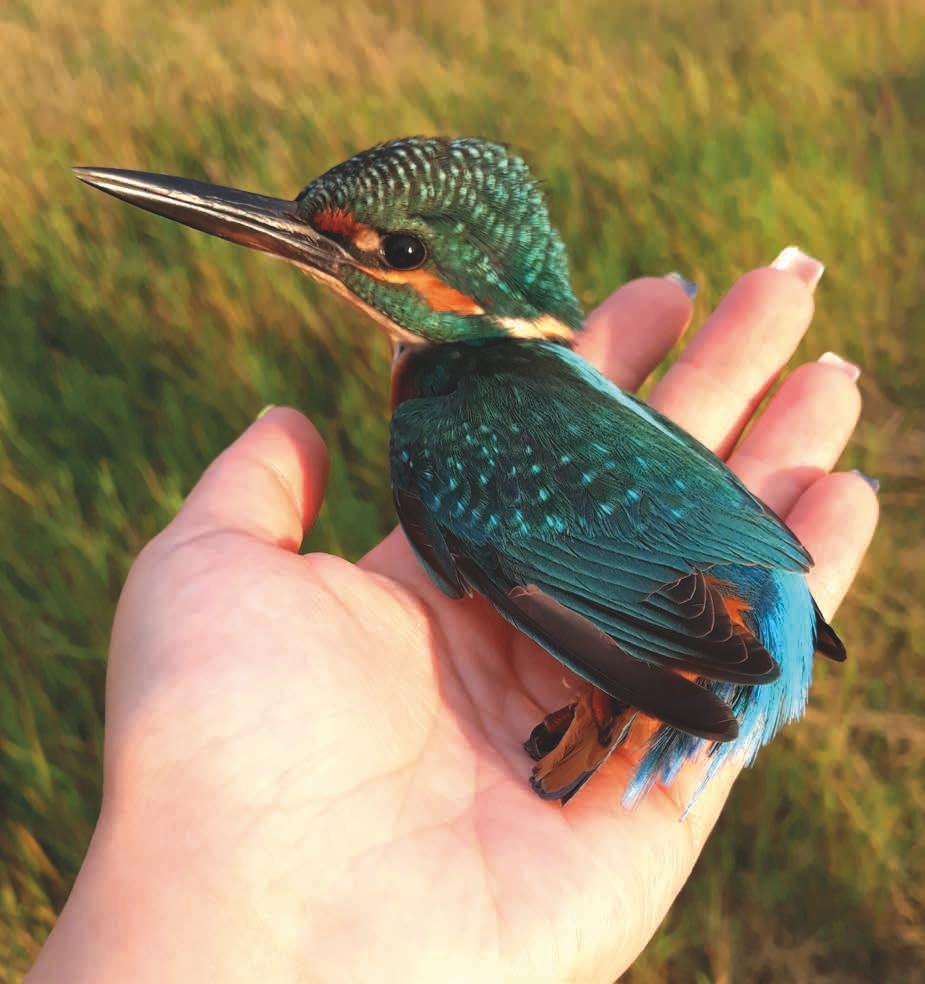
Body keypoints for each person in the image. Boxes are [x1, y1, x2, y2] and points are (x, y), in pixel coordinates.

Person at [28, 253, 878, 982]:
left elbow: (583, 558)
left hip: (738, 591)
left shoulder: (451, 425)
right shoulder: (494, 396)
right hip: (745, 573)